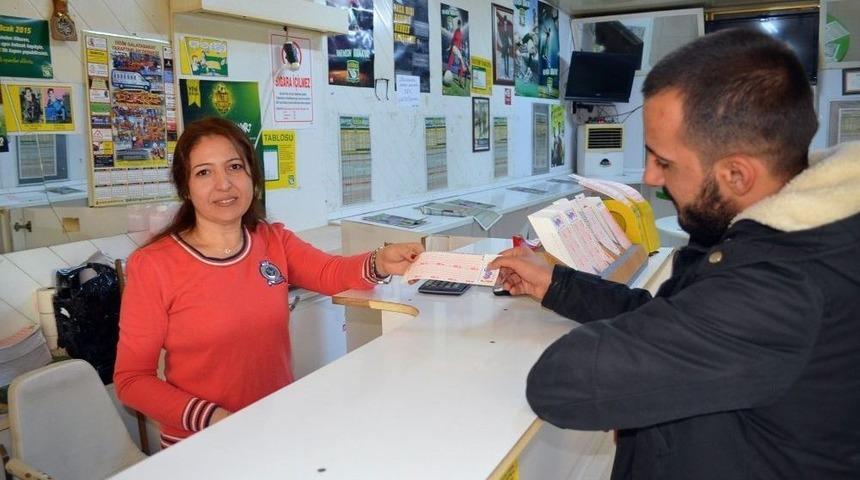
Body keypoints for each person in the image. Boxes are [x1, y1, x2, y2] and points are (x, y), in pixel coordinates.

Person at [489, 29, 860, 479]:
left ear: (737, 175)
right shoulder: (782, 237)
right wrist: (558, 284)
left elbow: (564, 383)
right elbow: (675, 319)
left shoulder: (783, 285)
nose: (650, 175)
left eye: (662, 161)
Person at [114, 117, 423, 449]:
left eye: (234, 167)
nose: (223, 184)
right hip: (201, 443)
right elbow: (132, 379)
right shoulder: (154, 264)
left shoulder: (272, 239)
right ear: (185, 187)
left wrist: (379, 261)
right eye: (204, 172)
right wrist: (215, 418)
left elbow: (330, 273)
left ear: (252, 176)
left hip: (276, 426)